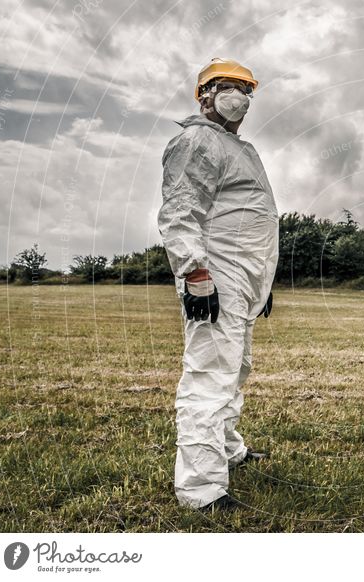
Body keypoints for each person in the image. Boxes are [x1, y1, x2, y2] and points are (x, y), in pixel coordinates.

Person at [157, 58, 279, 512]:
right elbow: (180, 211)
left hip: (243, 278)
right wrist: (195, 273)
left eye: (245, 89)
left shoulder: (237, 148)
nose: (238, 96)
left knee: (234, 369)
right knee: (210, 374)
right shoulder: (197, 140)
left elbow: (248, 219)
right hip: (216, 275)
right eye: (227, 86)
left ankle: (228, 449)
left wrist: (262, 282)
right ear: (203, 94)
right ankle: (201, 489)